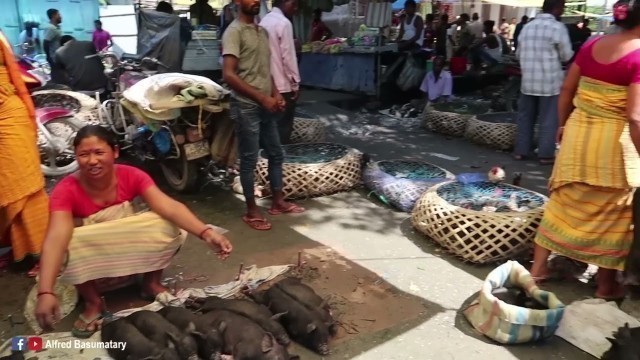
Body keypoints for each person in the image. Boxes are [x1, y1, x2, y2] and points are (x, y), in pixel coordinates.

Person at [34, 125, 233, 337]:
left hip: (119, 239)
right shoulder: (65, 189)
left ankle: (150, 283)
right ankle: (93, 302)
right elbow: (56, 237)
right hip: (91, 249)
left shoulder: (132, 175)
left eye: (99, 152)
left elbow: (169, 206)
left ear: (115, 152)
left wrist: (206, 232)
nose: (92, 161)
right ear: (76, 157)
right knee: (68, 242)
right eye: (84, 154)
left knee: (167, 224)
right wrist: (45, 291)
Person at [530, 0, 640, 301]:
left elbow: (567, 90)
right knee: (613, 214)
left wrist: (563, 126)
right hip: (613, 146)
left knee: (562, 202)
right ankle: (606, 286)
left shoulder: (592, 44)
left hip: (578, 135)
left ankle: (538, 269)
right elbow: (635, 116)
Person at [222, 0, 305, 231]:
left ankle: (277, 202)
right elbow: (229, 74)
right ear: (238, 2)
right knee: (249, 160)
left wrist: (276, 93)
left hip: (265, 103)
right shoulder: (234, 32)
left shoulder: (262, 31)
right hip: (246, 105)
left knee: (276, 153)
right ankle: (251, 211)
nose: (255, 1)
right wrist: (262, 98)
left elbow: (264, 69)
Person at [0, 30, 48, 276]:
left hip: (8, 113)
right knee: (4, 187)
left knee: (24, 183)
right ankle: (19, 249)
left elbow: (15, 77)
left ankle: (47, 253)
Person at [514, 0, 573, 165]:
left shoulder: (528, 27)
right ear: (557, 8)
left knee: (525, 118)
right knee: (548, 120)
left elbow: (518, 54)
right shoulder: (557, 28)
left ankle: (520, 151)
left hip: (528, 82)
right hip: (550, 83)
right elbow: (566, 56)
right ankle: (545, 155)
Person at [260, 0, 300, 145]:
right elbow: (288, 58)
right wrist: (295, 83)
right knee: (282, 129)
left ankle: (264, 161)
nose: (295, 9)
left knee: (267, 127)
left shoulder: (263, 22)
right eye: (294, 4)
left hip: (265, 84)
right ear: (285, 3)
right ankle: (279, 162)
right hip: (283, 85)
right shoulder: (284, 23)